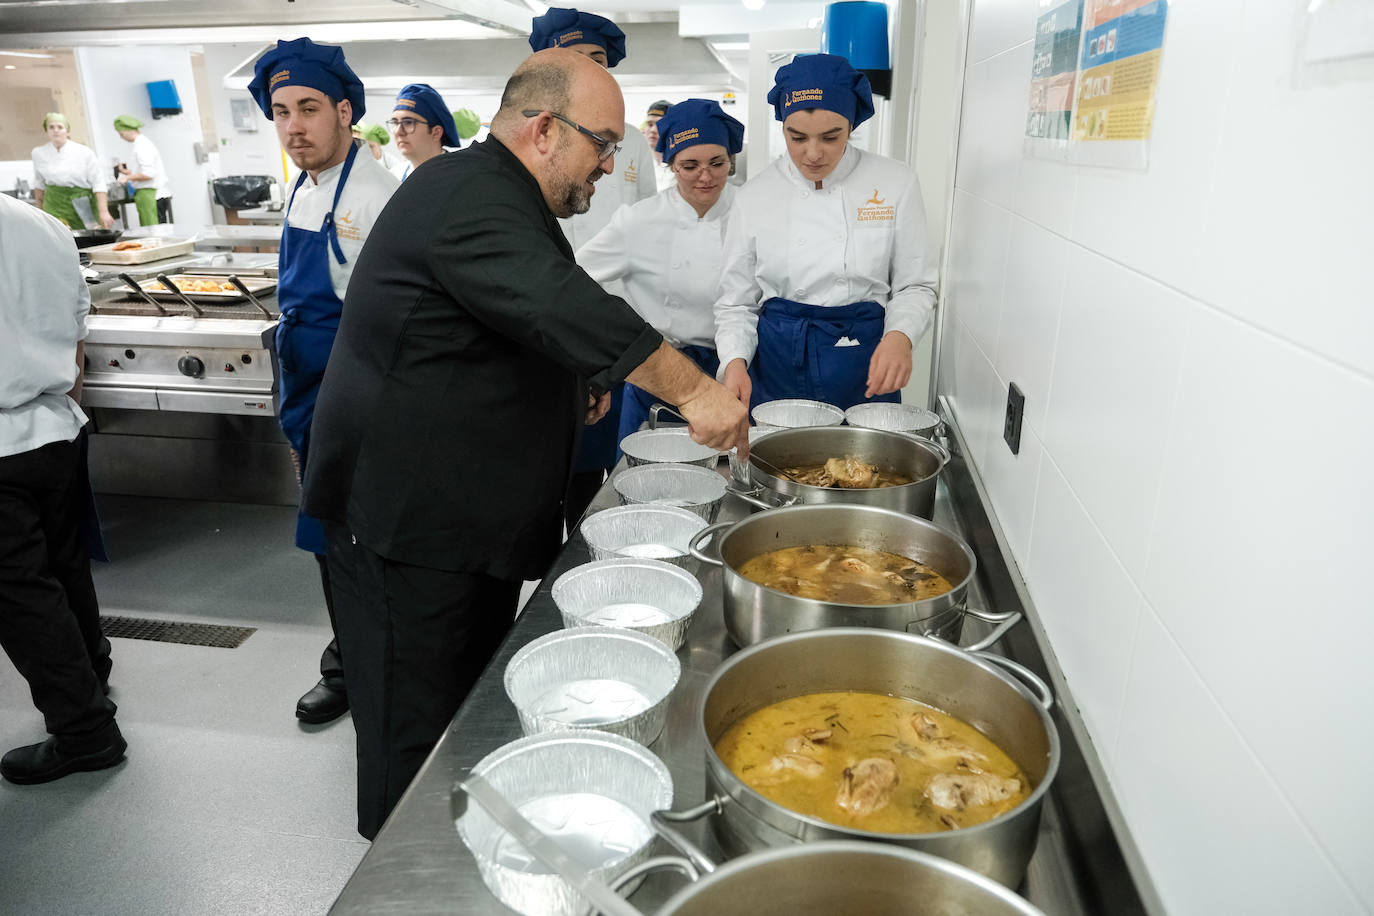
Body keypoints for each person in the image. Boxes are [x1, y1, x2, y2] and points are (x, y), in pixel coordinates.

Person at [301, 48, 749, 840]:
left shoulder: (500, 195)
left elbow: (493, 318)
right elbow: (559, 303)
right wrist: (696, 391)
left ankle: (452, 850)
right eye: (603, 145)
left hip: (459, 524)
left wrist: (569, 384)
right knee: (418, 744)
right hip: (408, 532)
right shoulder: (468, 193)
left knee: (463, 721)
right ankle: (407, 881)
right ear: (544, 130)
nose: (610, 166)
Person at [246, 37, 400, 725]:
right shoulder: (306, 186)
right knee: (331, 538)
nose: (293, 127)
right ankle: (352, 658)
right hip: (311, 395)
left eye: (308, 109)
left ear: (345, 111)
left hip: (355, 403)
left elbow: (392, 325)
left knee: (357, 538)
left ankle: (366, 669)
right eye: (281, 112)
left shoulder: (370, 199)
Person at [715, 54, 938, 411]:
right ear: (783, 126)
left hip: (864, 361)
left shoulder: (896, 183)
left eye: (831, 137)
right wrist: (735, 362)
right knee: (781, 465)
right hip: (777, 363)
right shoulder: (754, 196)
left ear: (851, 127)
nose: (813, 153)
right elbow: (736, 302)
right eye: (797, 137)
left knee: (867, 465)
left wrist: (901, 336)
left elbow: (916, 284)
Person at [0, 193, 125, 785]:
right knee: (65, 565)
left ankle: (85, 733)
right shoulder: (44, 224)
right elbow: (79, 333)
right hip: (56, 426)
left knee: (22, 594)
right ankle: (92, 675)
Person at [528, 6, 659, 529]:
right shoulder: (531, 137)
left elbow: (647, 228)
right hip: (538, 315)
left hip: (605, 319)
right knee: (541, 459)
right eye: (574, 57)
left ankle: (588, 547)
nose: (589, 69)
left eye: (598, 60)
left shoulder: (626, 143)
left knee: (596, 462)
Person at [578, 98, 744, 446]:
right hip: (660, 370)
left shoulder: (751, 210)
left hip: (733, 370)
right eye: (689, 165)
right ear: (670, 164)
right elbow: (576, 280)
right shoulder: (639, 220)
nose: (705, 175)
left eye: (717, 163)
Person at [30, 113, 113, 231]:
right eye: (51, 127)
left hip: (82, 204)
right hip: (54, 204)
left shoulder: (84, 152)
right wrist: (40, 212)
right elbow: (39, 184)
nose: (56, 131)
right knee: (57, 239)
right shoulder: (38, 153)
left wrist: (104, 211)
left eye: (60, 127)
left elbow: (98, 183)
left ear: (67, 131)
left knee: (87, 240)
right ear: (46, 131)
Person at [387, 83, 460, 180]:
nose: (398, 131)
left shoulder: (460, 176)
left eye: (408, 122)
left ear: (436, 133)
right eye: (395, 123)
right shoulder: (394, 175)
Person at [113, 115, 171, 226]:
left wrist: (127, 178)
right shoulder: (140, 144)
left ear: (127, 130)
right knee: (151, 232)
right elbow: (145, 170)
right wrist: (128, 172)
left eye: (121, 134)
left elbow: (149, 174)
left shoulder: (142, 146)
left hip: (152, 196)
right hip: (147, 195)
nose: (122, 137)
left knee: (155, 234)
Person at [643, 99, 677, 192]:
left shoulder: (682, 165)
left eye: (659, 125)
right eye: (650, 124)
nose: (653, 130)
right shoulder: (639, 163)